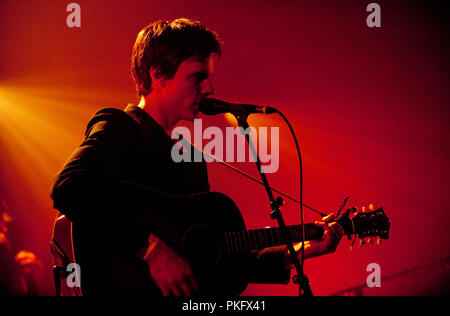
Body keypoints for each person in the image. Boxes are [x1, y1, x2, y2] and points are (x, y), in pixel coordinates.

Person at [50, 18, 344, 296]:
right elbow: (70, 186)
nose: (209, 89)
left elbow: (212, 258)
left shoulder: (190, 158)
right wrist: (148, 249)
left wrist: (300, 250)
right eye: (197, 77)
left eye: (209, 78)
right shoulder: (120, 128)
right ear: (157, 75)